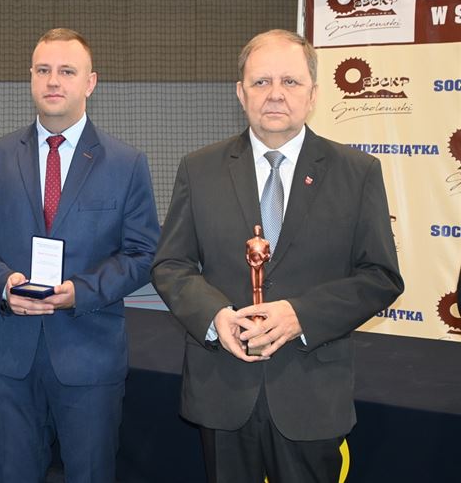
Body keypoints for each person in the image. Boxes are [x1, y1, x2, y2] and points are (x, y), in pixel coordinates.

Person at [151, 29, 404, 483]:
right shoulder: (199, 168)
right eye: (261, 81)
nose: (275, 94)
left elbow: (380, 276)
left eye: (290, 81)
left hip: (311, 394)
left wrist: (300, 315)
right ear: (240, 92)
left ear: (313, 94)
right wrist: (214, 317)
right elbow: (172, 264)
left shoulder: (357, 172)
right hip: (222, 390)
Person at [0, 28, 159, 482]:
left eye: (67, 71)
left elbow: (143, 252)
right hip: (11, 358)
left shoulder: (126, 163)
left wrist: (79, 292)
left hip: (90, 357)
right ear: (30, 77)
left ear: (90, 82)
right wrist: (3, 284)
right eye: (43, 70)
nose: (53, 81)